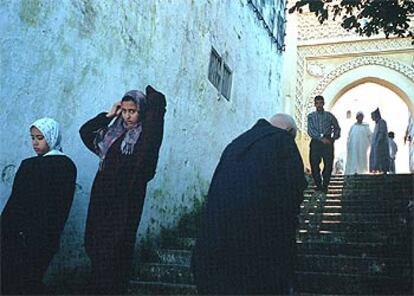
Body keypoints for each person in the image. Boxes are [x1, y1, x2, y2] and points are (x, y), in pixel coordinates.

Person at [191, 114, 307, 295]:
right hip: (258, 245)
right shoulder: (283, 140)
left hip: (214, 244)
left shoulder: (236, 143)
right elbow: (294, 187)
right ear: (289, 131)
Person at [79, 85, 166, 294]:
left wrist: (151, 102)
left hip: (125, 203)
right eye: (125, 111)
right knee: (95, 247)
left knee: (115, 250)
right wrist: (109, 115)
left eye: (133, 111)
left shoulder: (144, 141)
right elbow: (84, 133)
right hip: (101, 201)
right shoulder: (112, 135)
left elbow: (155, 120)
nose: (127, 116)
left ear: (142, 112)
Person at [1, 117, 77, 294]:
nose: (35, 143)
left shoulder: (61, 166)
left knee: (23, 281)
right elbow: (17, 200)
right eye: (32, 138)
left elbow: (59, 204)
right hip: (26, 234)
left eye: (40, 138)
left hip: (35, 234)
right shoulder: (35, 164)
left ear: (51, 137)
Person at [307, 95, 341, 193]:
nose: (319, 105)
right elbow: (310, 130)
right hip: (316, 142)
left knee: (328, 163)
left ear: (323, 103)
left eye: (321, 103)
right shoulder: (311, 116)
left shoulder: (329, 116)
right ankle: (318, 184)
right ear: (314, 104)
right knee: (314, 163)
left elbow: (337, 127)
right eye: (317, 103)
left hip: (328, 141)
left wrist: (333, 138)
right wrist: (320, 138)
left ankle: (325, 184)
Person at [369, 108, 389, 174]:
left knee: (381, 158)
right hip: (376, 145)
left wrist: (378, 142)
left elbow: (382, 133)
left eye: (373, 116)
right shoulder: (376, 124)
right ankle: (376, 170)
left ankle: (383, 170)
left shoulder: (382, 122)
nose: (372, 118)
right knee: (376, 158)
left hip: (381, 145)